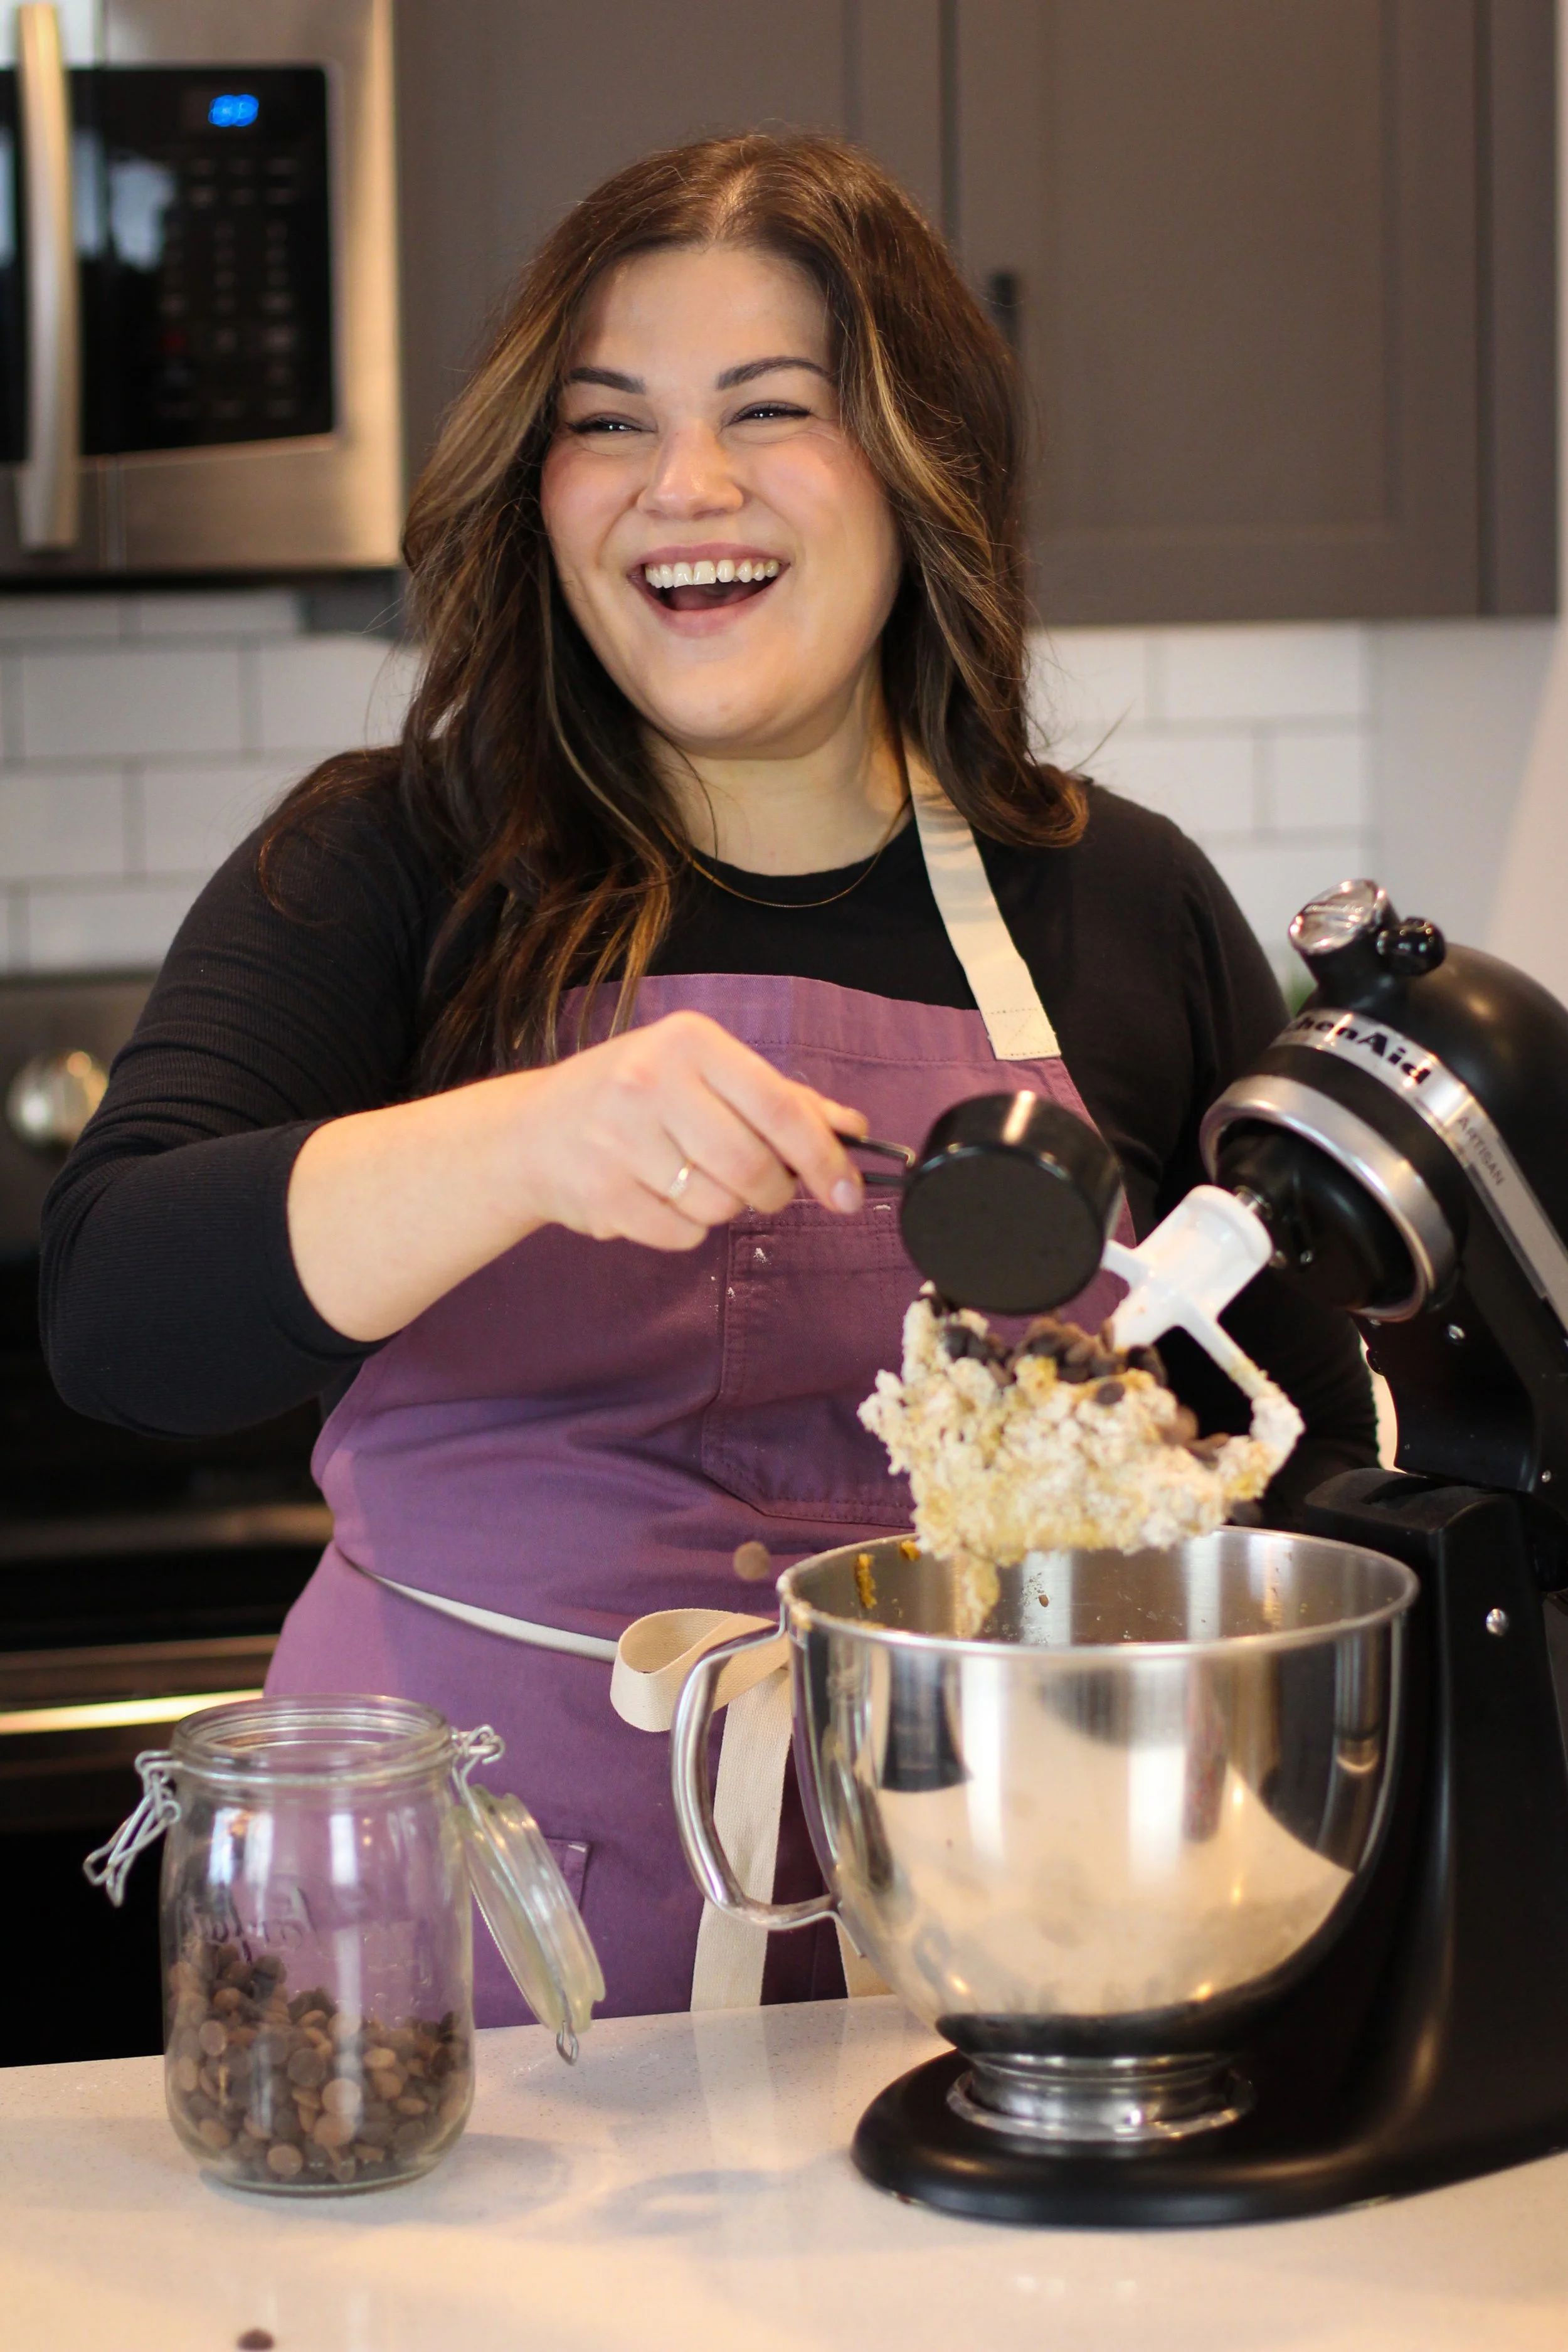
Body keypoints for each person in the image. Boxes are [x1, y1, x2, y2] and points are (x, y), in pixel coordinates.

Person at [41, 133, 1376, 2023]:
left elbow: (1313, 1447)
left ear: (925, 473)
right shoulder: (388, 861)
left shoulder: (1107, 897)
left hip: (981, 1971)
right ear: (538, 488)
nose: (687, 489)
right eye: (611, 425)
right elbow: (117, 1313)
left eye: (771, 411)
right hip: (447, 1988)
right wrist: (520, 1140)